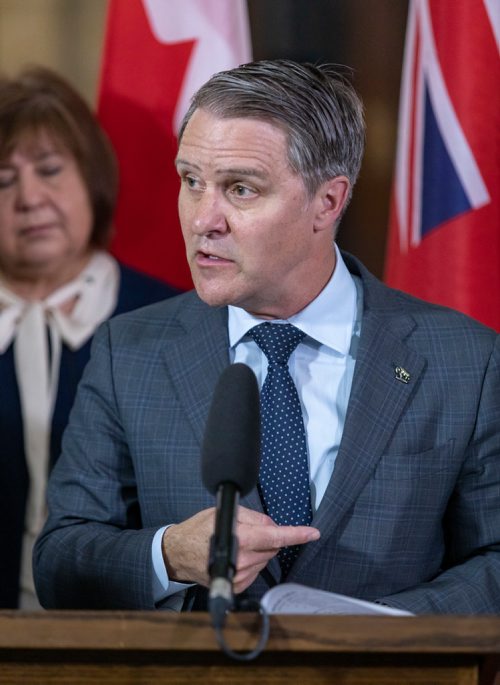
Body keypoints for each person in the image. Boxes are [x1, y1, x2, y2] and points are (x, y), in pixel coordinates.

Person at [33, 60, 500, 614]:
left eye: (240, 189)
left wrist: (384, 634)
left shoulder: (465, 361)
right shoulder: (128, 353)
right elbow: (61, 562)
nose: (204, 218)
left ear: (327, 202)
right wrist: (170, 555)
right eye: (191, 181)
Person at [0, 66, 178, 609]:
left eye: (50, 170)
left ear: (93, 179)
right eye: (3, 180)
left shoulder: (172, 320)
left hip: (129, 634)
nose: (29, 198)